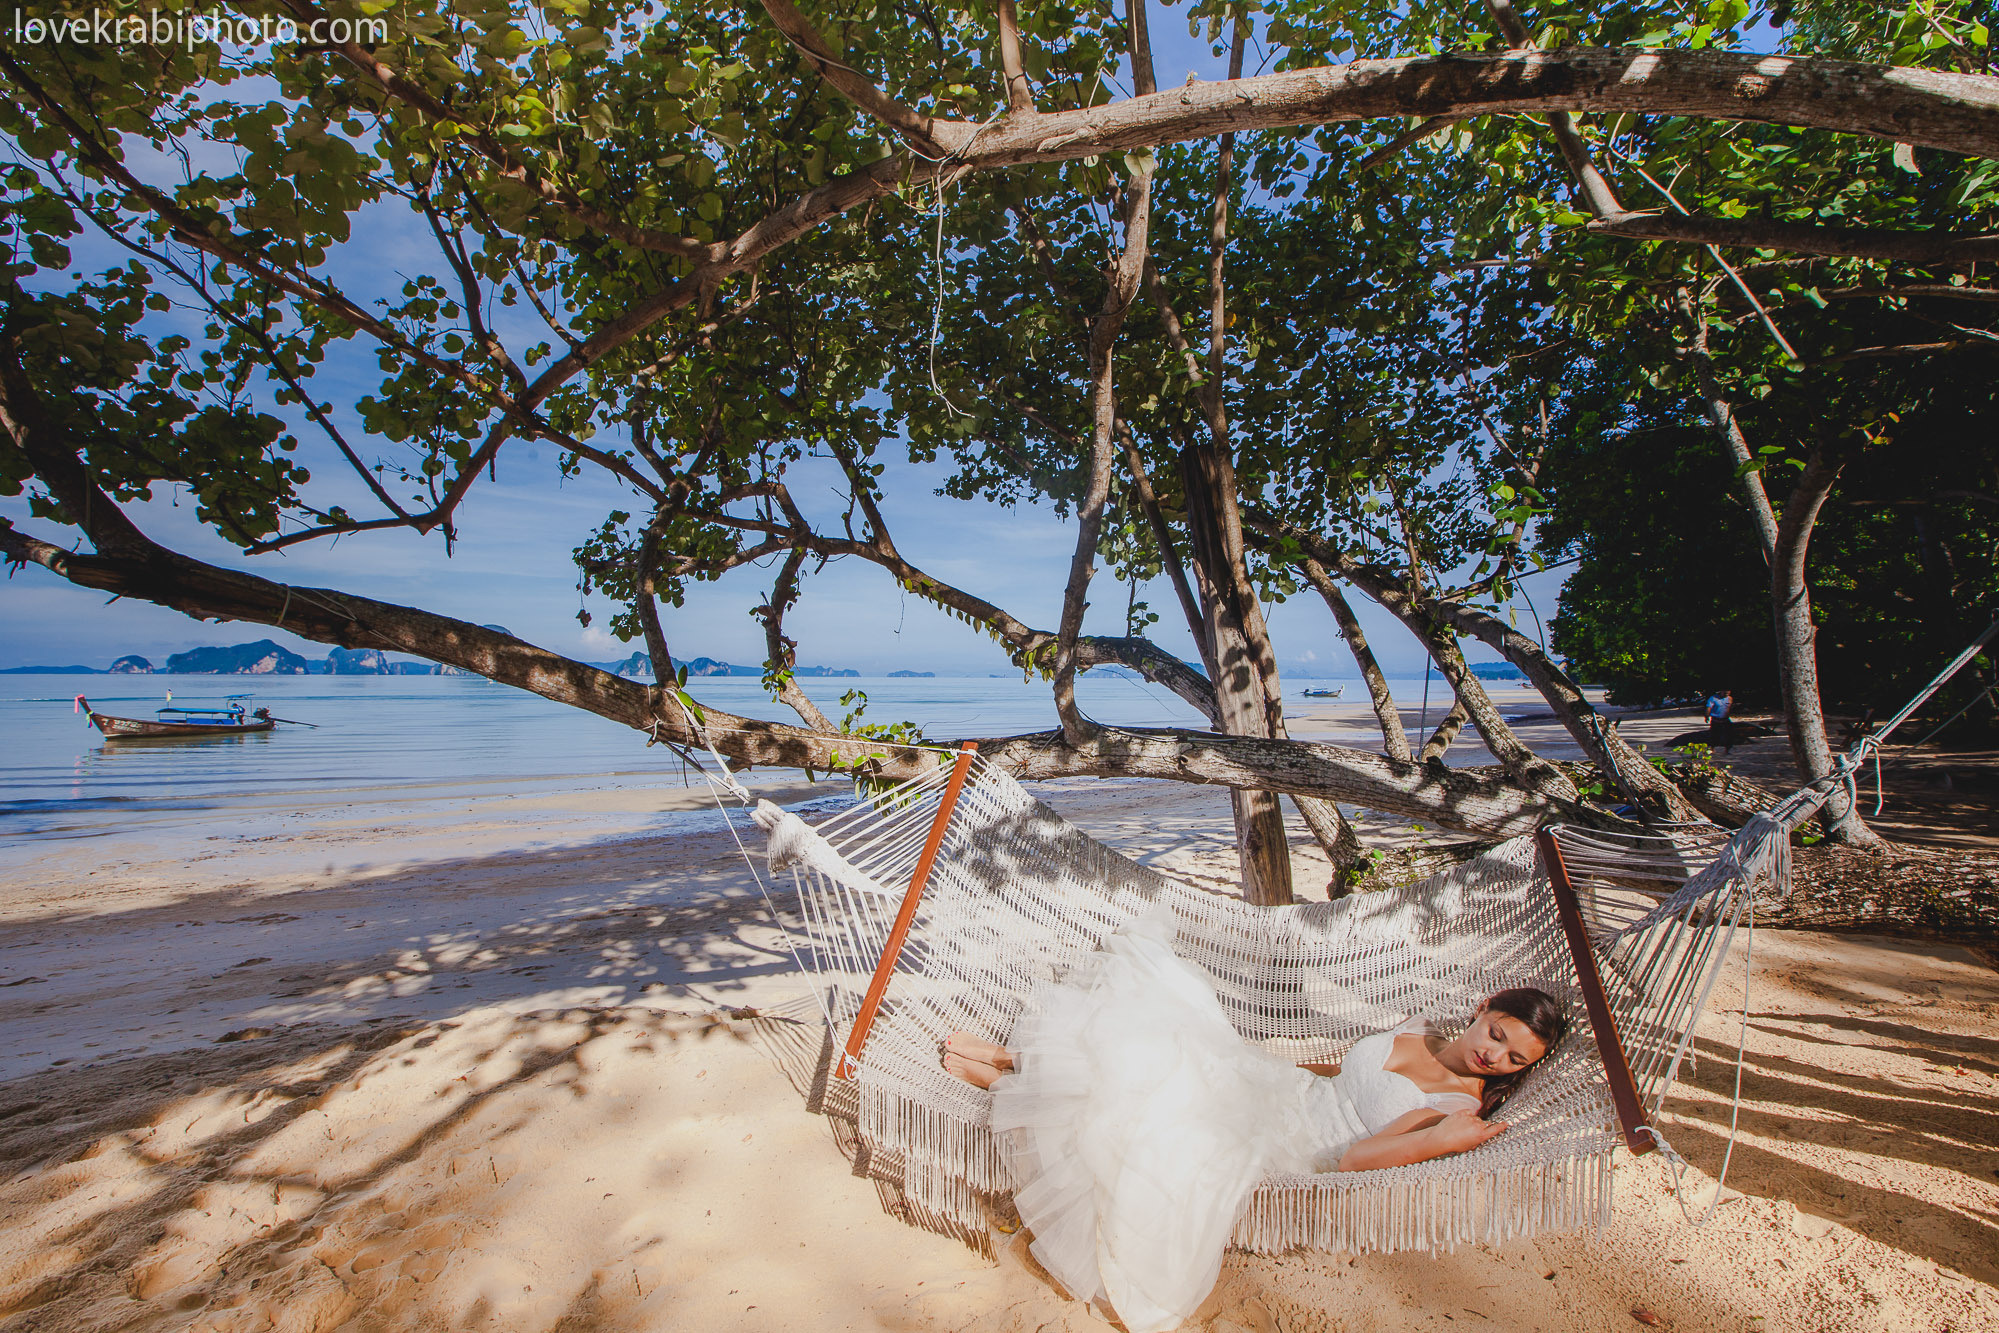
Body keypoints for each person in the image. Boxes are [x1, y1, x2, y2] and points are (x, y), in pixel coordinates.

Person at [940, 908, 1566, 1332]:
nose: (1493, 1055)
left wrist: (1439, 1139)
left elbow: (1353, 1160)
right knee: (1172, 1029)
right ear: (1484, 1008)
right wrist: (1260, 1065)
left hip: (1287, 1140)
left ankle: (1005, 1077)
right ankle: (1015, 1060)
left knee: (1160, 1107)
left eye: (1512, 1060)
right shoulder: (1418, 1029)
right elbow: (1341, 1074)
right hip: (1280, 1087)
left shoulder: (1461, 1106)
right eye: (1498, 1034)